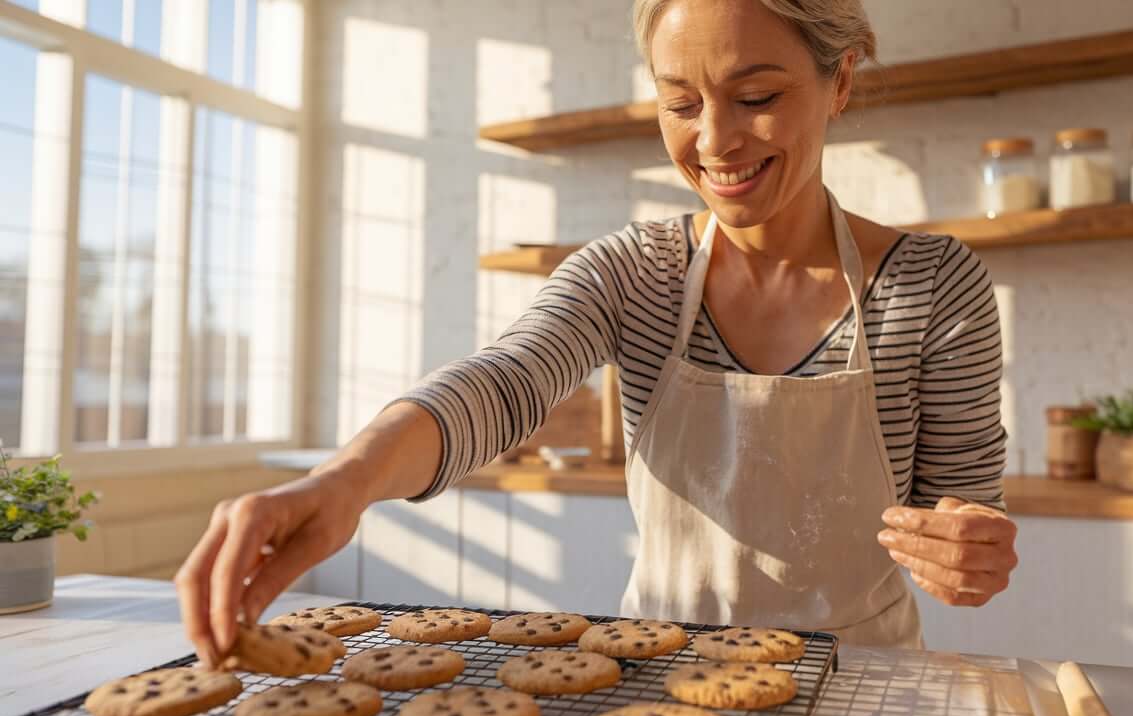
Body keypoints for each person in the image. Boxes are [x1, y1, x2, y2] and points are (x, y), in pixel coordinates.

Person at [175, 0, 1019, 665]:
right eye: (680, 103)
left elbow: (960, 521)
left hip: (862, 686)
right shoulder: (632, 273)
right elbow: (505, 382)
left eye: (756, 98)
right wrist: (345, 482)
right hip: (660, 676)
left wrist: (967, 556)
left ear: (839, 81)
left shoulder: (931, 286)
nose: (715, 141)